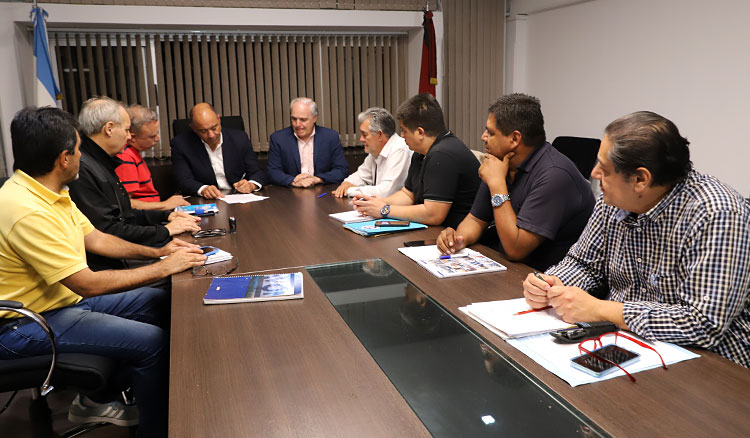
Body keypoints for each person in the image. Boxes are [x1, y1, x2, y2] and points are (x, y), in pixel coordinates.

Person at [0, 106, 206, 437]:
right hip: (24, 324)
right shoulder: (26, 209)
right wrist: (163, 267)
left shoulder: (51, 191)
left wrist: (160, 252)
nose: (83, 156)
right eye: (79, 149)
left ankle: (108, 395)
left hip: (61, 302)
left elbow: (96, 239)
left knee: (163, 301)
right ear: (64, 159)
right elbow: (88, 284)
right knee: (153, 341)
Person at [522, 111, 750, 368]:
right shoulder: (613, 200)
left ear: (640, 179)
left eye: (604, 168)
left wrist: (601, 310)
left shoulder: (717, 214)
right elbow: (583, 263)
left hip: (709, 363)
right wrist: (551, 285)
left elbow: (703, 323)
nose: (594, 173)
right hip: (626, 341)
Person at [437, 94, 595, 270]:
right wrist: (457, 240)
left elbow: (515, 250)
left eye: (490, 132)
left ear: (514, 139)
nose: (483, 137)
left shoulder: (555, 175)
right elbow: (476, 220)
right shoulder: (501, 163)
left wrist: (497, 185)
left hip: (546, 274)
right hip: (509, 265)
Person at [68, 97, 201, 271]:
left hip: (125, 253)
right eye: (127, 130)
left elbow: (125, 214)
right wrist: (165, 231)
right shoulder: (83, 169)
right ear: (109, 129)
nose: (130, 136)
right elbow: (110, 230)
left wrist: (166, 216)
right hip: (113, 265)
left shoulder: (102, 161)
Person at [353, 93, 480, 228]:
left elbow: (433, 214)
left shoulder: (442, 154)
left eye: (404, 131)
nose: (402, 135)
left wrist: (384, 210)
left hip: (458, 233)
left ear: (420, 132)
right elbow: (408, 195)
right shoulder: (420, 152)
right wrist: (376, 203)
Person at [171, 102, 267, 199]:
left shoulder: (240, 138)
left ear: (219, 119)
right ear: (193, 128)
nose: (211, 135)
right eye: (203, 131)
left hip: (238, 197)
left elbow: (257, 172)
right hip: (205, 200)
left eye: (214, 128)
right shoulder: (180, 144)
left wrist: (251, 185)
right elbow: (184, 180)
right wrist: (203, 189)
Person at [115, 104, 189, 211]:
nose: (158, 138)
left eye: (157, 133)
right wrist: (164, 205)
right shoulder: (126, 157)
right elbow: (126, 204)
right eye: (152, 136)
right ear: (132, 137)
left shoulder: (132, 153)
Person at [267, 97, 349, 187]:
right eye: (294, 119)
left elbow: (342, 170)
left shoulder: (330, 137)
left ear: (315, 118)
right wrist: (293, 181)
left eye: (303, 120)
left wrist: (317, 179)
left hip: (322, 190)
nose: (297, 124)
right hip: (290, 191)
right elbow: (272, 172)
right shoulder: (278, 139)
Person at [332, 107, 412, 198]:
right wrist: (347, 183)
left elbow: (386, 192)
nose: (361, 139)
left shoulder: (399, 150)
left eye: (364, 135)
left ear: (380, 135)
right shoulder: (375, 151)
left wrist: (350, 190)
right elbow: (361, 176)